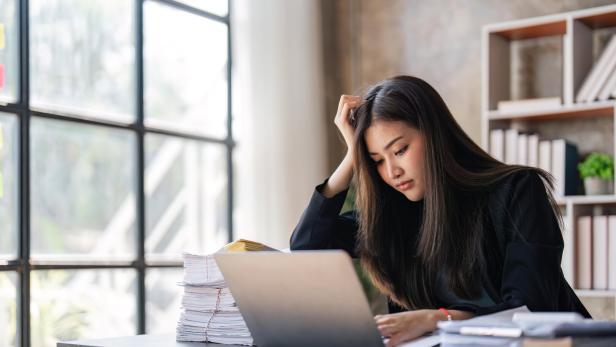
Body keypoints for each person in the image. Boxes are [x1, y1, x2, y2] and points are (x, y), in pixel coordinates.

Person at [290, 75, 590, 346]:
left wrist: (436, 318)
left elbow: (528, 308)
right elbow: (308, 246)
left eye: (400, 150)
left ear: (435, 135)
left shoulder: (518, 191)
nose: (392, 171)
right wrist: (352, 156)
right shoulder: (395, 215)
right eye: (377, 160)